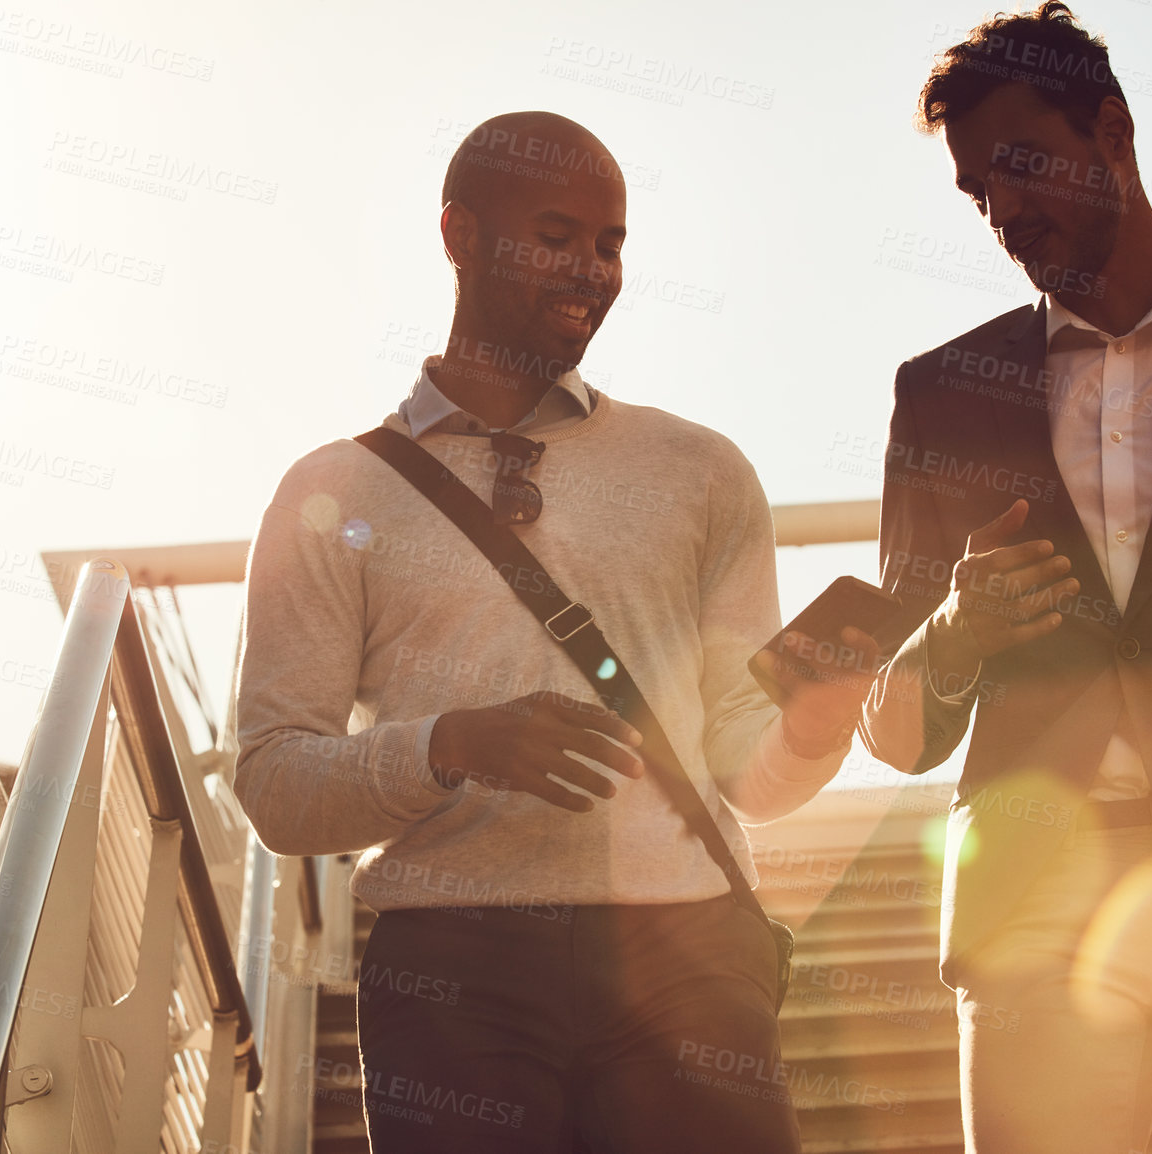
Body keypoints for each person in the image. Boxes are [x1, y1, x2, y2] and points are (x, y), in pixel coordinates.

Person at [232, 110, 877, 1153]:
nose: (591, 269)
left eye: (610, 242)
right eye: (557, 233)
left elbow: (744, 775)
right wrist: (451, 743)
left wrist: (808, 728)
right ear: (459, 234)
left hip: (689, 947)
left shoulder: (702, 469)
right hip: (451, 969)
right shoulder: (329, 489)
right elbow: (273, 783)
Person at [860, 5, 1152, 1152]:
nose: (1002, 213)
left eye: (1019, 165)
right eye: (976, 195)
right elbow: (890, 722)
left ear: (1111, 129)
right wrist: (957, 632)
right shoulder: (940, 394)